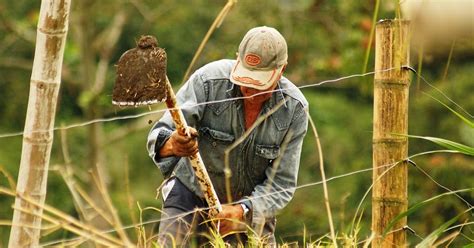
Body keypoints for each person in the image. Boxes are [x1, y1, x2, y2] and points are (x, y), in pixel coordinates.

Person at [147, 26, 308, 246]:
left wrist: (242, 212)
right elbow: (158, 136)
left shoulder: (294, 110)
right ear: (237, 60)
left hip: (249, 210)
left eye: (258, 81)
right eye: (245, 78)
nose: (248, 88)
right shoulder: (207, 81)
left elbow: (282, 184)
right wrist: (173, 144)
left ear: (281, 70)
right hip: (189, 195)